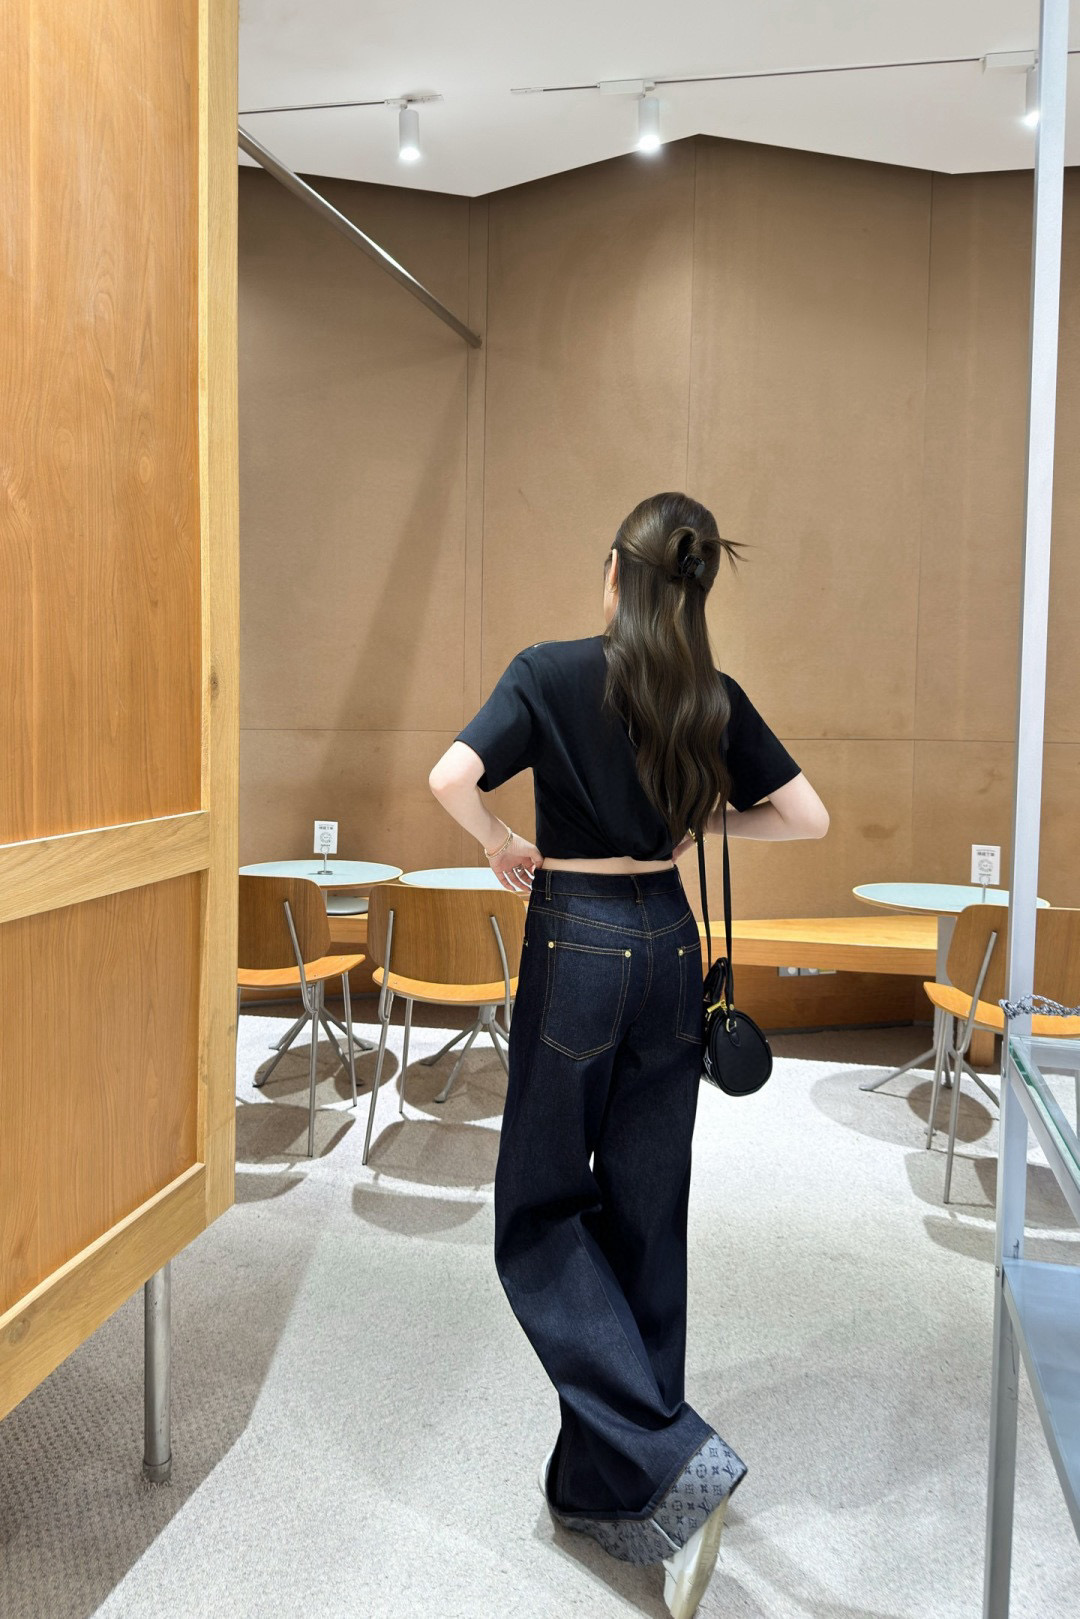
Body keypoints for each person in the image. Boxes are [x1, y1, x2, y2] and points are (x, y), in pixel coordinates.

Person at [428, 492, 829, 1619]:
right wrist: (705, 824)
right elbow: (806, 817)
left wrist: (502, 842)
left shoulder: (550, 671)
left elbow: (451, 777)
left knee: (539, 1212)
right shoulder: (710, 695)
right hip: (668, 945)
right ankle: (607, 1490)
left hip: (577, 939)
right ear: (695, 588)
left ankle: (669, 1464)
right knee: (648, 1214)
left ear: (615, 570)